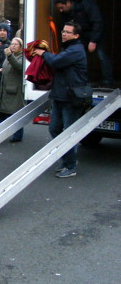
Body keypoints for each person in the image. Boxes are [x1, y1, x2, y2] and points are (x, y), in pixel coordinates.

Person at [34, 22, 88, 178]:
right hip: (60, 95)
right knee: (54, 129)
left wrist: (43, 54)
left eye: (68, 32)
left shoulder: (76, 50)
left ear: (76, 35)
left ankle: (71, 166)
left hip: (71, 98)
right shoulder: (69, 48)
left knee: (68, 132)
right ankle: (66, 160)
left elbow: (57, 61)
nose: (63, 34)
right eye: (63, 31)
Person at [54, 0, 113, 87]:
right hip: (81, 36)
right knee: (78, 56)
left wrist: (93, 41)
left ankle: (107, 80)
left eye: (62, 7)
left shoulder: (87, 5)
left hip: (96, 34)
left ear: (68, 3)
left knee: (101, 55)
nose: (60, 10)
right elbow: (64, 26)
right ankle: (80, 80)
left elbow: (98, 22)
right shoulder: (66, 13)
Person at [0, 37, 26, 142]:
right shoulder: (9, 56)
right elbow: (8, 66)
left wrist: (9, 56)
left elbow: (18, 66)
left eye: (16, 44)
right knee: (2, 112)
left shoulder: (22, 57)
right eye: (12, 44)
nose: (13, 46)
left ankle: (17, 135)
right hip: (5, 88)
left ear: (21, 46)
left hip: (14, 90)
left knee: (15, 114)